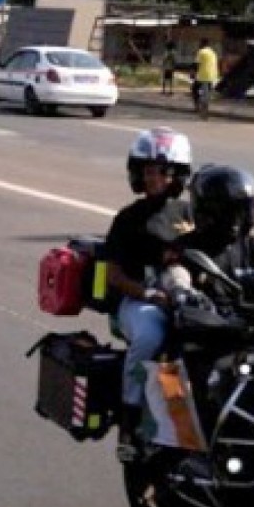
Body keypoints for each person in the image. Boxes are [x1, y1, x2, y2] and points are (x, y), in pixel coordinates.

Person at [100, 127, 195, 459]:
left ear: (178, 175)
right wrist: (146, 294)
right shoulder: (128, 219)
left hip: (188, 298)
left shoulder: (191, 215)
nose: (155, 178)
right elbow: (113, 274)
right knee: (151, 337)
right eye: (148, 171)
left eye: (163, 172)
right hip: (139, 300)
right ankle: (129, 419)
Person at [193, 39, 219, 119]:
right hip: (213, 76)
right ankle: (203, 110)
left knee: (195, 89)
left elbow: (196, 64)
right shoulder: (213, 52)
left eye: (200, 43)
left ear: (202, 44)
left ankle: (199, 108)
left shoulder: (201, 52)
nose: (199, 45)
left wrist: (193, 73)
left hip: (203, 76)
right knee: (206, 94)